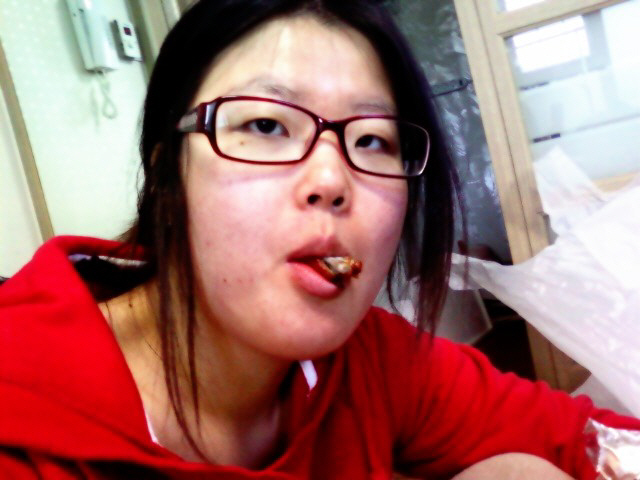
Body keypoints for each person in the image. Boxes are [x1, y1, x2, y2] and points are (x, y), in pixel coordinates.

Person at [1, 0, 638, 478]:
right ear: (168, 175)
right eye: (266, 125)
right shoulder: (25, 429)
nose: (332, 180)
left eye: (373, 140)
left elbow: (597, 441)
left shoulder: (376, 361)